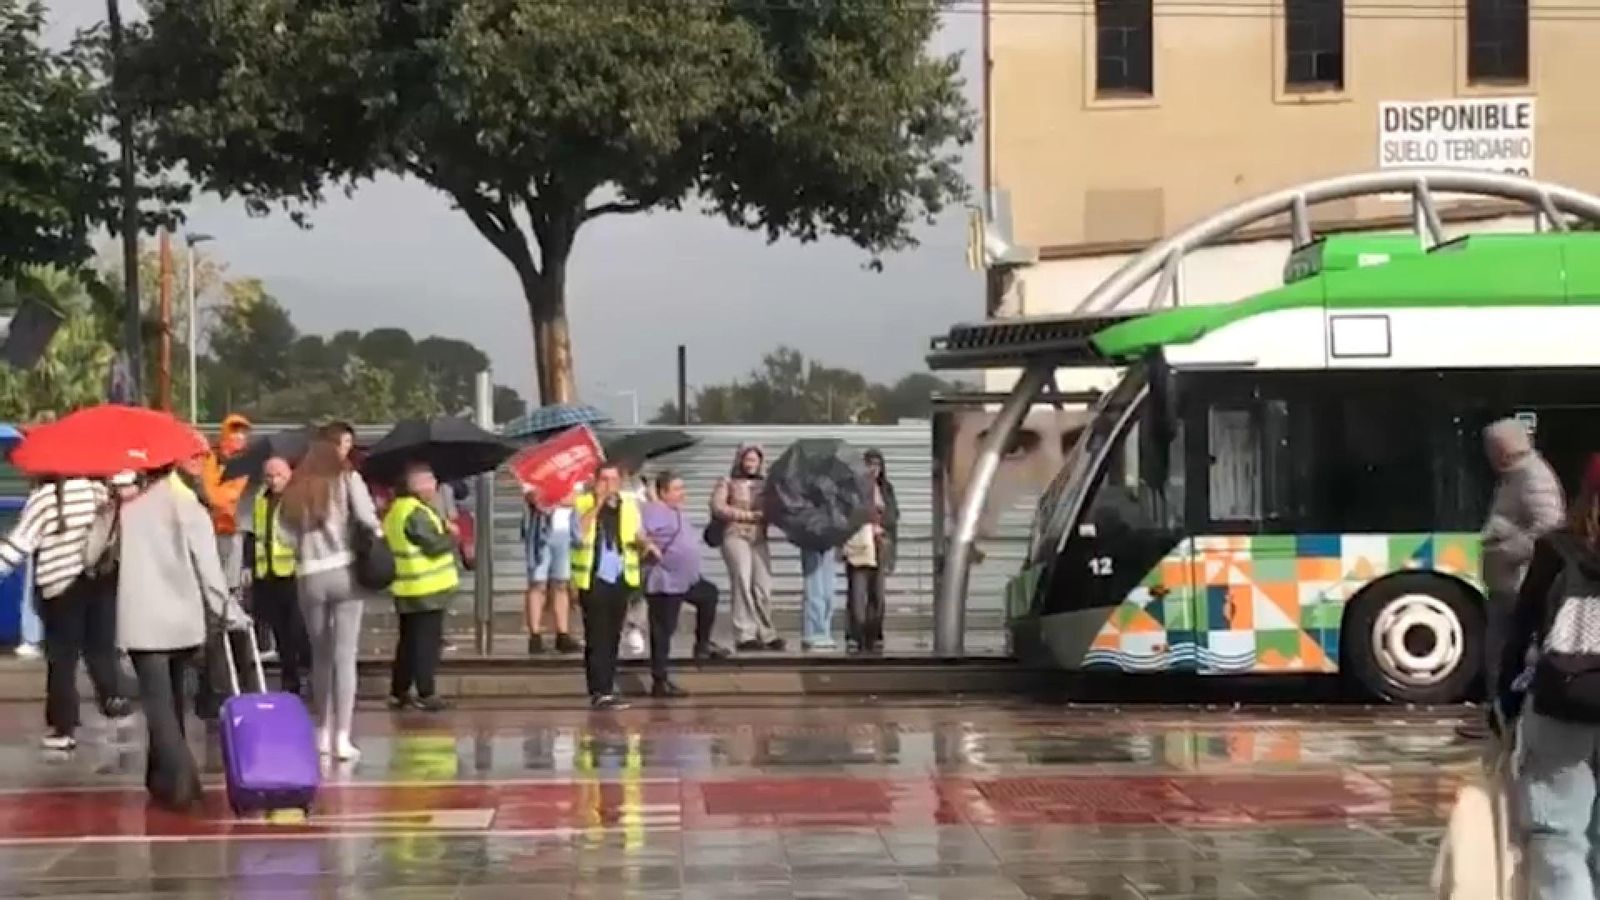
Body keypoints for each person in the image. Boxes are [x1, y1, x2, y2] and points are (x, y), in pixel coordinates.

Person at [116, 468, 250, 811]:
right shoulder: (189, 506)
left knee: (159, 706)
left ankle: (182, 780)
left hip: (143, 620)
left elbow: (98, 555)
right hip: (183, 619)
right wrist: (227, 610)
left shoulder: (127, 509)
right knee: (176, 700)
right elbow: (208, 567)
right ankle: (160, 778)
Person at [1498, 455, 1600, 898]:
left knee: (1556, 833)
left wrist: (1504, 703)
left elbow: (1521, 629)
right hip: (1563, 703)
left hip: (1561, 700)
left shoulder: (1557, 549)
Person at [0, 477, 132, 751]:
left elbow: (20, 543)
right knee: (101, 648)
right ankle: (114, 701)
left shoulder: (45, 498)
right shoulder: (100, 491)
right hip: (100, 581)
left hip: (61, 586)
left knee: (62, 659)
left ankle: (64, 728)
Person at [278, 438, 382, 762]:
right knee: (345, 655)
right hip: (344, 571)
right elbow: (367, 518)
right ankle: (343, 737)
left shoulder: (296, 488)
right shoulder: (347, 479)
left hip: (309, 576)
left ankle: (322, 730)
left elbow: (283, 536)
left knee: (320, 655)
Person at [1467, 418, 1565, 740]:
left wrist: (1507, 546)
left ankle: (1503, 716)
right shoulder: (1513, 476)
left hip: (1518, 583)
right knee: (1499, 650)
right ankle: (1496, 714)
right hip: (1506, 583)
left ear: (1502, 448)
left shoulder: (1532, 477)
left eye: (1490, 448)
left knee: (1507, 652)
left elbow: (1549, 529)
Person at [572, 463, 657, 710]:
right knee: (597, 636)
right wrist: (598, 503)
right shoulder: (583, 503)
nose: (608, 484)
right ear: (595, 481)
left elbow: (637, 533)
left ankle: (607, 688)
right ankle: (599, 691)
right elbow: (578, 534)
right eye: (604, 479)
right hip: (593, 578)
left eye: (613, 479)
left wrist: (646, 545)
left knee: (612, 636)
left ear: (620, 482)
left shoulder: (628, 505)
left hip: (620, 577)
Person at [641, 471, 729, 698]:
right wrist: (649, 546)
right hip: (665, 582)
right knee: (663, 632)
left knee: (709, 595)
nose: (683, 493)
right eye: (677, 489)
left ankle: (702, 645)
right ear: (663, 492)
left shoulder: (675, 511)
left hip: (686, 579)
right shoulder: (654, 511)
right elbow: (639, 532)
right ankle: (660, 681)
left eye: (683, 488)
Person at [382, 461, 459, 713]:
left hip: (407, 587)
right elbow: (434, 545)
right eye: (431, 481)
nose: (435, 486)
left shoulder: (397, 509)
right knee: (426, 643)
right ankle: (427, 692)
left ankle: (400, 690)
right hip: (426, 589)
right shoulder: (415, 512)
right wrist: (451, 535)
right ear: (418, 485)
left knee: (408, 642)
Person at [242, 456, 309, 695]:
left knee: (298, 630)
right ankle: (290, 681)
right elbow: (253, 535)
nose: (273, 480)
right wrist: (248, 565)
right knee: (281, 633)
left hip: (293, 574)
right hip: (268, 575)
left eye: (278, 475)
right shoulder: (261, 499)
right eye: (269, 476)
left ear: (289, 475)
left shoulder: (298, 499)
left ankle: (308, 670)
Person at [712, 445, 782, 652]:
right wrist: (748, 515)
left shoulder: (766, 485)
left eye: (755, 460)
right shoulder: (727, 482)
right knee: (742, 580)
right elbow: (718, 507)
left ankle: (767, 633)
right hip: (735, 535)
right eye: (747, 459)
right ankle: (745, 633)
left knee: (763, 586)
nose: (751, 464)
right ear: (740, 460)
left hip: (759, 538)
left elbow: (774, 509)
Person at [843, 449, 900, 655]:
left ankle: (874, 634)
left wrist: (881, 524)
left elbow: (893, 516)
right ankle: (855, 634)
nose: (873, 469)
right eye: (869, 464)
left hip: (880, 545)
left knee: (878, 594)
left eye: (877, 465)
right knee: (857, 594)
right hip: (860, 546)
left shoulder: (886, 489)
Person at [523, 486, 579, 655]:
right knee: (537, 584)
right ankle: (535, 636)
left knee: (561, 583)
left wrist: (551, 498)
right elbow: (532, 497)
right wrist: (553, 498)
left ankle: (562, 634)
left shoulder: (570, 476)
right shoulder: (536, 475)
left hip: (563, 532)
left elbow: (573, 498)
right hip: (539, 531)